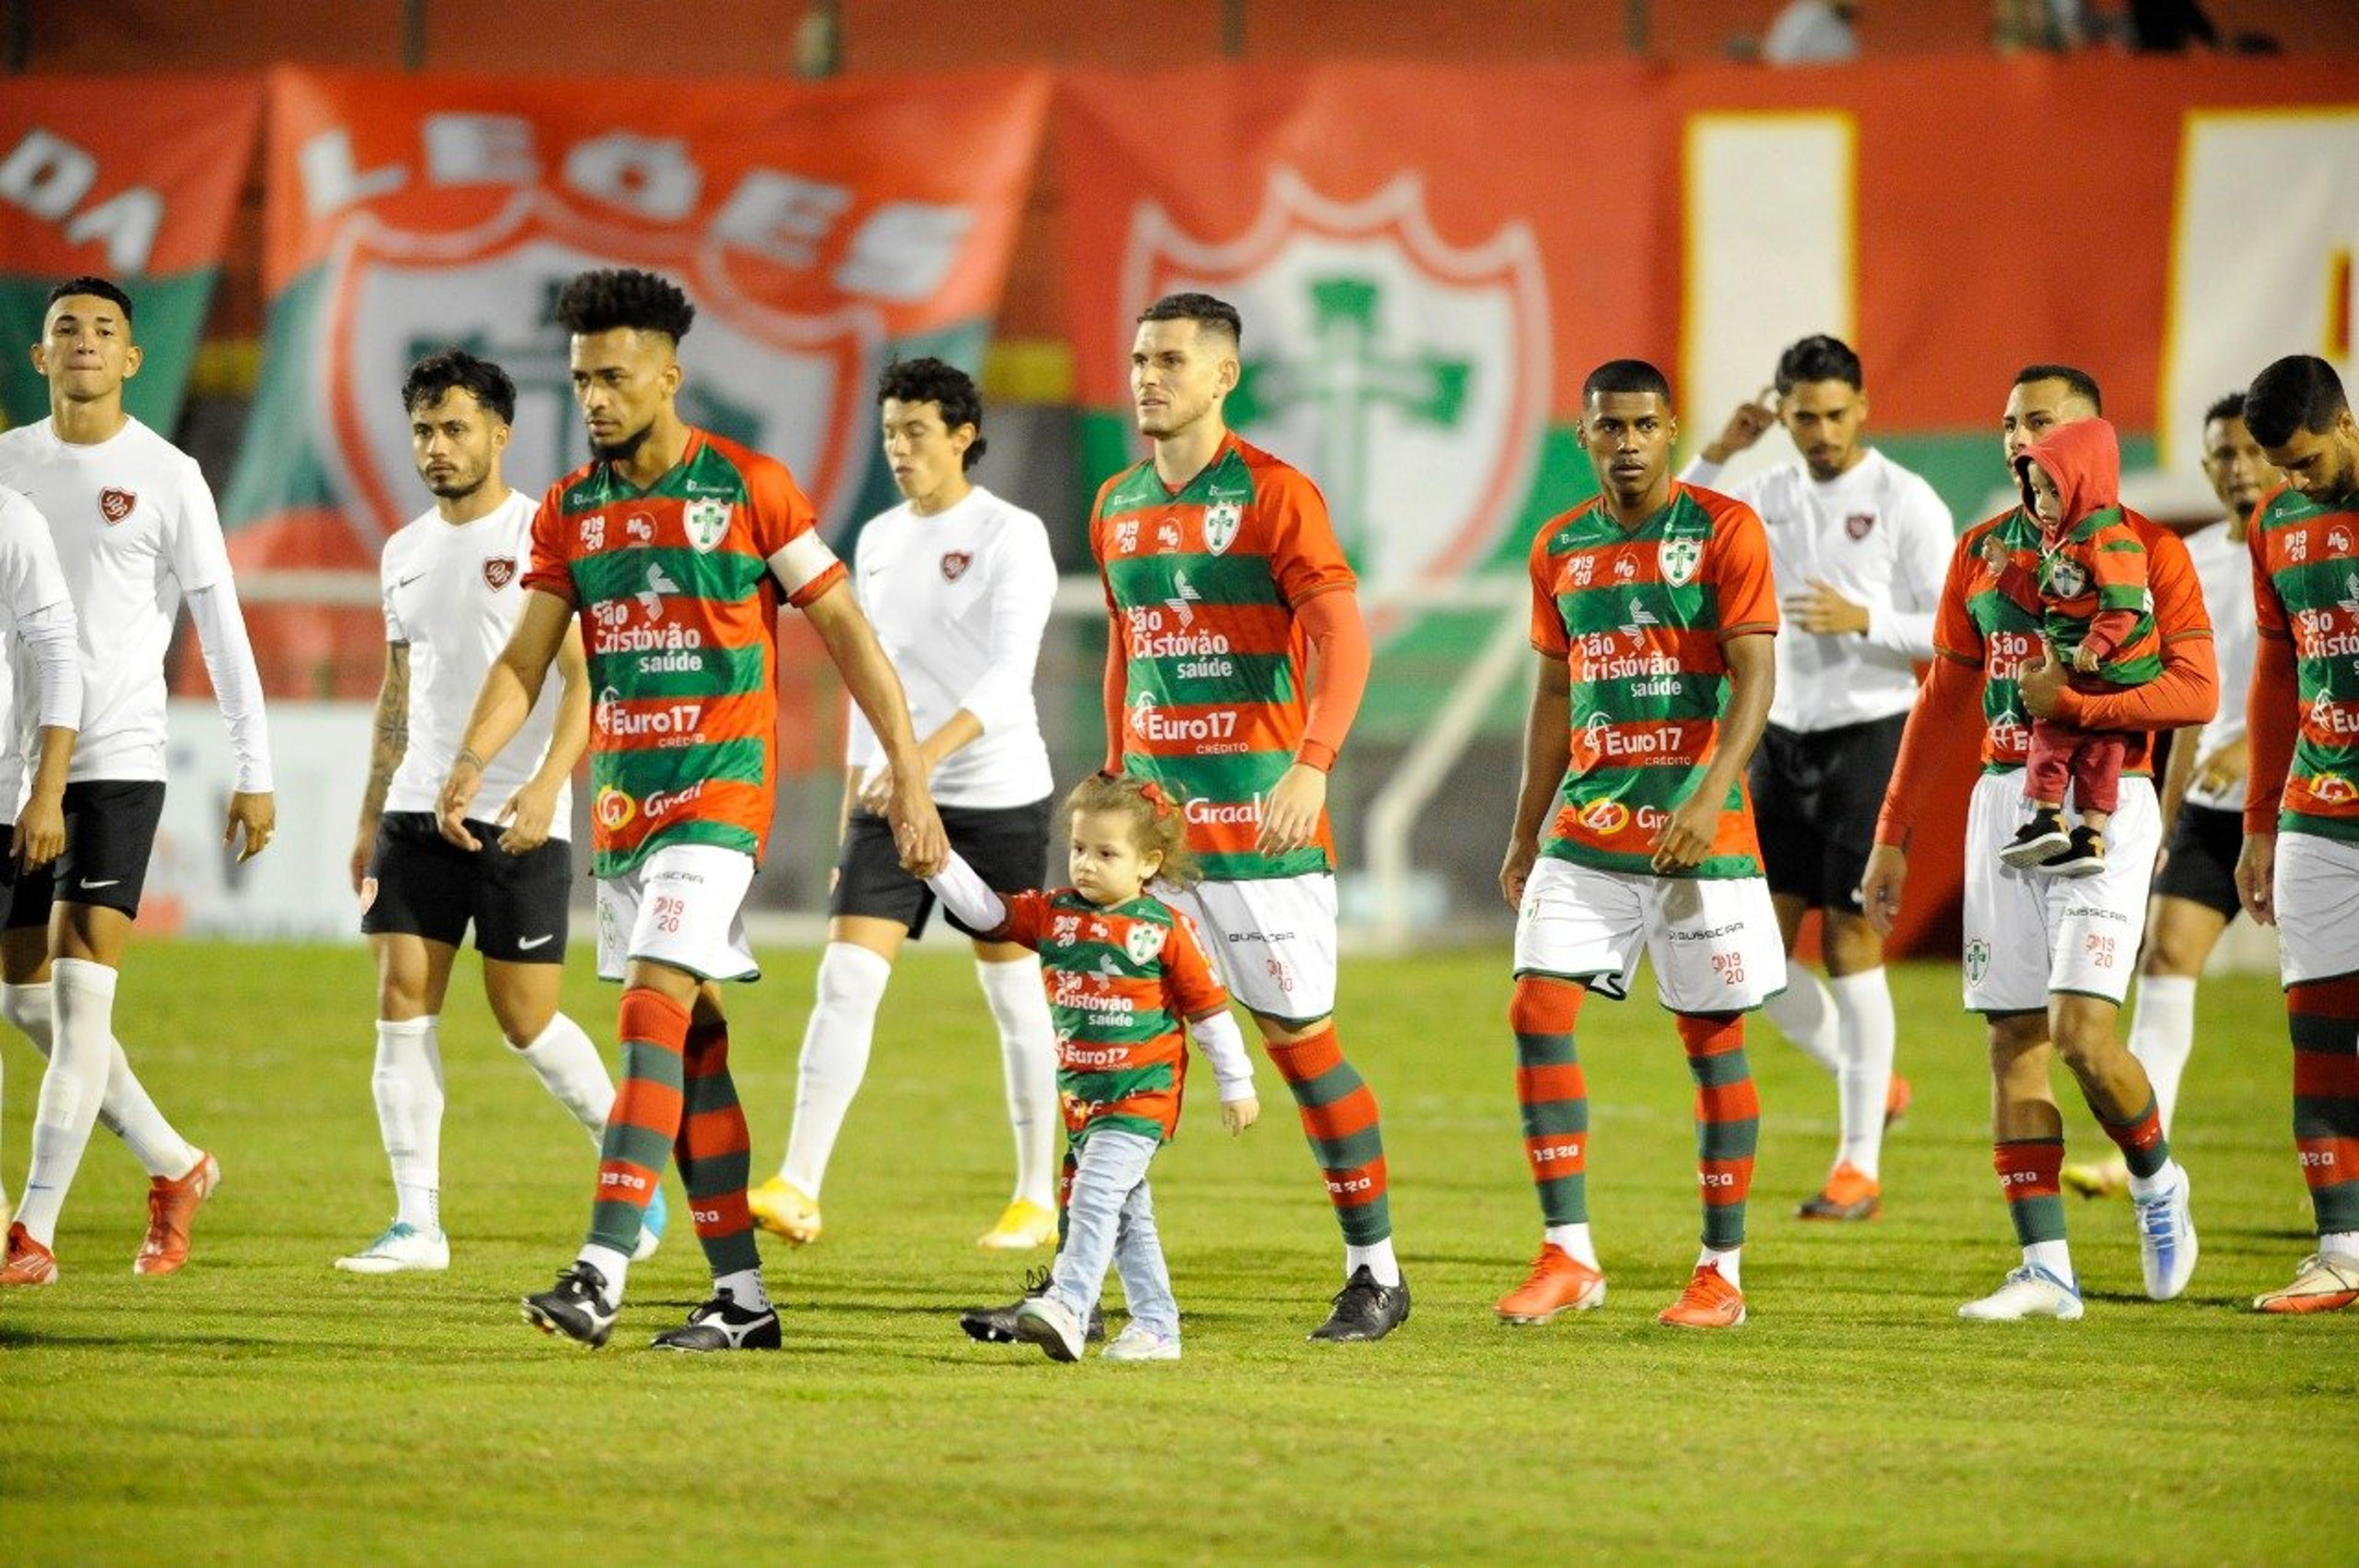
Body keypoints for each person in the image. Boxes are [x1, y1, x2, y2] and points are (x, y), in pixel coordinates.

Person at [440, 267, 945, 1351]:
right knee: (696, 1045)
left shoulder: (751, 486)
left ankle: (600, 1270)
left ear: (670, 374)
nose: (596, 399)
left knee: (652, 1009)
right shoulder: (574, 513)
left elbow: (850, 630)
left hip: (720, 800)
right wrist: (473, 756)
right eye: (582, 380)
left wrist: (906, 767)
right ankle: (744, 1300)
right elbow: (526, 659)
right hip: (625, 810)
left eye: (616, 377)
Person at [1861, 364, 2212, 1321]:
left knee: (2082, 1036)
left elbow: (2199, 691)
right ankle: (2048, 1273)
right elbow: (1942, 699)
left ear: (2091, 435)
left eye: (2042, 423)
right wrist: (1893, 833)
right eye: (2011, 423)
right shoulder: (1983, 551)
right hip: (2003, 802)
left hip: (2110, 797)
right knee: (2013, 1037)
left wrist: (2082, 700)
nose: (2020, 439)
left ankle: (2155, 1183)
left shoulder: (2147, 551)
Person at [1088, 290, 1403, 1342]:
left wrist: (1312, 764)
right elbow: (1128, 646)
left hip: (1260, 835)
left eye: (1172, 360)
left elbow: (1344, 640)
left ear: (1224, 376)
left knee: (1301, 1043)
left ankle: (1376, 1273)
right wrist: (1112, 779)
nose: (1149, 378)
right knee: (1112, 1043)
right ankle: (1083, 1271)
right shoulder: (1116, 503)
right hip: (1154, 843)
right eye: (1140, 359)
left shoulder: (1276, 494)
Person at [336, 348, 667, 1274]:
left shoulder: (542, 538)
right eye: (423, 432)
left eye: (455, 428)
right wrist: (371, 817)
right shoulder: (402, 551)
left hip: (521, 815)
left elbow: (583, 680)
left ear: (499, 433)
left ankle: (628, 1168)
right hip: (417, 809)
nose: (437, 448)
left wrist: (545, 786)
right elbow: (398, 693)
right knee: (402, 1002)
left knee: (527, 1020)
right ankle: (417, 1224)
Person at [1495, 359, 1783, 1332]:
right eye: (1608, 428)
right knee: (1536, 1010)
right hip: (1588, 826)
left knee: (1711, 1042)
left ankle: (1721, 1273)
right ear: (1584, 438)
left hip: (1702, 834)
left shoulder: (1723, 531)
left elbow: (1754, 676)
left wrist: (1709, 796)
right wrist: (1525, 828)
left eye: (1643, 426)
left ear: (1672, 431)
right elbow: (1550, 694)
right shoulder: (1559, 547)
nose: (1626, 443)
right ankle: (1568, 1254)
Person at [748, 357, 1060, 1253]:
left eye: (917, 430)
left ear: (964, 435)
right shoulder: (878, 539)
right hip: (890, 797)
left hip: (996, 797)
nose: (900, 448)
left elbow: (1009, 677)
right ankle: (799, 1184)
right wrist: (863, 800)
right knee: (845, 979)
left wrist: (919, 762)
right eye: (890, 432)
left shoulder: (1012, 533)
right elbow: (865, 679)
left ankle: (1036, 1196)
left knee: (1011, 993)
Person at [0, 276, 273, 1287]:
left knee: (77, 997)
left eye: (104, 330)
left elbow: (223, 625)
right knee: (27, 1000)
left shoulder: (166, 474)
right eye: (64, 327)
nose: (83, 341)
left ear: (131, 360)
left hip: (117, 758)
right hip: (14, 766)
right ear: (39, 357)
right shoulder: (7, 470)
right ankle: (176, 1163)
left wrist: (257, 767)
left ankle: (29, 1231)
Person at [1682, 335, 1949, 1220]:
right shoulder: (1762, 494)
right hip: (1778, 738)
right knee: (1750, 956)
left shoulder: (1905, 500)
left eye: (1836, 414)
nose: (1822, 431)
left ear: (1863, 406)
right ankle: (1869, 1080)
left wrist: (1864, 616)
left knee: (1846, 948)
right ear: (1782, 412)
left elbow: (1954, 630)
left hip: (1867, 737)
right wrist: (1722, 445)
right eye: (1804, 416)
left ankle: (1857, 1165)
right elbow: (1679, 524)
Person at [928, 774, 1258, 1362]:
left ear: (1148, 862)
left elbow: (1209, 1013)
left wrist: (1237, 1083)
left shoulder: (1163, 930)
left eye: (1107, 854)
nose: (1086, 864)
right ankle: (1158, 1328)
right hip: (1084, 1102)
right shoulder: (1055, 916)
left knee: (1094, 1197)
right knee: (1128, 1214)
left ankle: (1069, 1305)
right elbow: (988, 912)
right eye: (1079, 849)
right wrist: (937, 865)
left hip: (1140, 1097)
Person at [2063, 394, 2270, 1198]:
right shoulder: (2189, 559)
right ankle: (2141, 1153)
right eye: (2223, 453)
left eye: (2254, 449)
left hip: (2316, 803)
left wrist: (2259, 745)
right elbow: (2184, 696)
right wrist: (2168, 811)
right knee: (2167, 957)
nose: (2240, 467)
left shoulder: (2325, 547)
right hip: (2217, 810)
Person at [2234, 353, 2359, 1314]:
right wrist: (2260, 822)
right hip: (2318, 811)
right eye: (2281, 465)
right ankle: (2342, 1251)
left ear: (2347, 422)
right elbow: (2279, 676)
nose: (2294, 480)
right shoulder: (2276, 524)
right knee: (2316, 1031)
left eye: (2308, 461)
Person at [1989, 419, 2161, 878]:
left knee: (2100, 753)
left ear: (2085, 482)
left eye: (2053, 491)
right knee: (2054, 737)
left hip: (2110, 673)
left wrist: (2097, 643)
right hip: (2074, 668)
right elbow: (2046, 600)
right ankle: (2054, 821)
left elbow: (2124, 604)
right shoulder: (2062, 545)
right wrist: (2007, 573)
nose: (2042, 505)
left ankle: (2087, 832)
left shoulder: (2114, 539)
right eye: (2037, 491)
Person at [0, 480, 82, 1234]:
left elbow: (61, 656)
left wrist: (45, 790)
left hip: (0, 799)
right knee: (27, 1000)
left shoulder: (11, 516)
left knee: (32, 995)